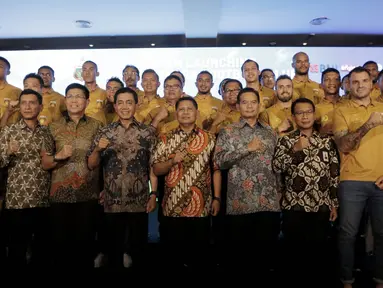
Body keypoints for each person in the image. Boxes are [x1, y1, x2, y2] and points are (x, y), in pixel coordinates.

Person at [88, 87, 157, 269]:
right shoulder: (105, 132)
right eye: (120, 103)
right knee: (114, 251)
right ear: (115, 105)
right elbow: (92, 164)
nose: (125, 107)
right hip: (112, 201)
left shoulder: (147, 133)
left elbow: (152, 166)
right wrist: (97, 150)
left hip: (139, 200)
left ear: (136, 105)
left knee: (138, 250)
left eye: (129, 102)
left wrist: (153, 194)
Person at [214, 87, 281, 274]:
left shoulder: (270, 132)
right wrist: (246, 149)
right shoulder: (228, 132)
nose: (250, 106)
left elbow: (277, 165)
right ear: (238, 106)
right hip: (240, 203)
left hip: (268, 203)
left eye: (253, 102)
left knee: (266, 259)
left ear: (259, 105)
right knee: (241, 260)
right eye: (245, 102)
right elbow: (219, 161)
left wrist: (280, 191)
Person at [273, 97, 339, 284]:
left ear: (314, 114)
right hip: (294, 205)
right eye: (300, 113)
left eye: (308, 112)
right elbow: (277, 167)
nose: (304, 116)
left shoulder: (326, 141)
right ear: (293, 117)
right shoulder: (286, 141)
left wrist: (334, 203)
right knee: (294, 254)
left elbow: (333, 174)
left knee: (318, 253)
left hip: (321, 205)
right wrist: (295, 150)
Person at [152, 96, 220, 270]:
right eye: (181, 109)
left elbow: (216, 169)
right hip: (172, 206)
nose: (185, 112)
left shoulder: (210, 138)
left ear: (197, 113)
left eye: (190, 109)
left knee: (199, 257)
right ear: (176, 113)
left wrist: (217, 198)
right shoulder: (165, 138)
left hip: (201, 207)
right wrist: (171, 162)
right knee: (173, 257)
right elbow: (157, 169)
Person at [41, 83, 102, 270]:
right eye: (70, 96)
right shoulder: (52, 127)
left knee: (84, 246)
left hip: (87, 194)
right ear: (65, 100)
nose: (74, 100)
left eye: (78, 96)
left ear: (87, 101)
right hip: (59, 195)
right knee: (60, 247)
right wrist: (58, 156)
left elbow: (100, 161)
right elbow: (45, 163)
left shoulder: (97, 126)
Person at [333, 66, 383, 288]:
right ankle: (347, 281)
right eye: (355, 82)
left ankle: (380, 279)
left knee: (382, 235)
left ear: (372, 84)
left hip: (381, 181)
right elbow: (343, 145)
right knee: (347, 234)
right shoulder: (341, 111)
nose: (360, 85)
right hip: (352, 180)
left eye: (364, 80)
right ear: (349, 85)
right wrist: (368, 125)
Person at [0, 89, 52, 268]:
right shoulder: (9, 131)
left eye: (32, 103)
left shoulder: (46, 132)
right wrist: (8, 151)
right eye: (23, 103)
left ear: (40, 106)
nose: (28, 107)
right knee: (16, 250)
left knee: (41, 250)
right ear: (19, 106)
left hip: (42, 199)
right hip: (17, 200)